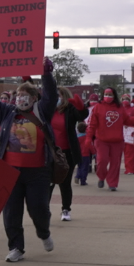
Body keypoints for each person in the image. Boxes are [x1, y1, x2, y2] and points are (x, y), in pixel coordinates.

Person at [0, 59, 58, 262]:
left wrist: (47, 74)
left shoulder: (41, 111)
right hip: (10, 171)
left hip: (38, 173)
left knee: (39, 209)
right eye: (18, 95)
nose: (20, 98)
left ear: (34, 98)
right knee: (11, 213)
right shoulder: (7, 113)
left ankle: (44, 232)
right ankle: (16, 247)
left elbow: (51, 96)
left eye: (25, 95)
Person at [87, 87, 134, 191]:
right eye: (106, 94)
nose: (108, 96)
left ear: (114, 96)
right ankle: (101, 177)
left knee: (115, 164)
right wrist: (88, 137)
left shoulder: (120, 108)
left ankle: (112, 183)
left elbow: (126, 120)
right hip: (102, 140)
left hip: (117, 141)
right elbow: (92, 124)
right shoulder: (98, 107)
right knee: (102, 161)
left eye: (110, 94)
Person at [50, 88, 85, 221]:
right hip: (50, 151)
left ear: (64, 97)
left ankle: (66, 209)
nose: (55, 98)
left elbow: (82, 115)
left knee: (65, 183)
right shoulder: (48, 109)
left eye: (57, 96)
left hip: (67, 152)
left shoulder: (70, 110)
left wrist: (80, 106)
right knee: (48, 183)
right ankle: (45, 211)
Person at [75, 121, 93, 186]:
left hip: (78, 154)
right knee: (85, 168)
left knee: (79, 167)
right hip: (86, 154)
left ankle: (77, 176)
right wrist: (94, 152)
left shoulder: (77, 138)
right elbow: (90, 146)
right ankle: (83, 181)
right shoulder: (87, 138)